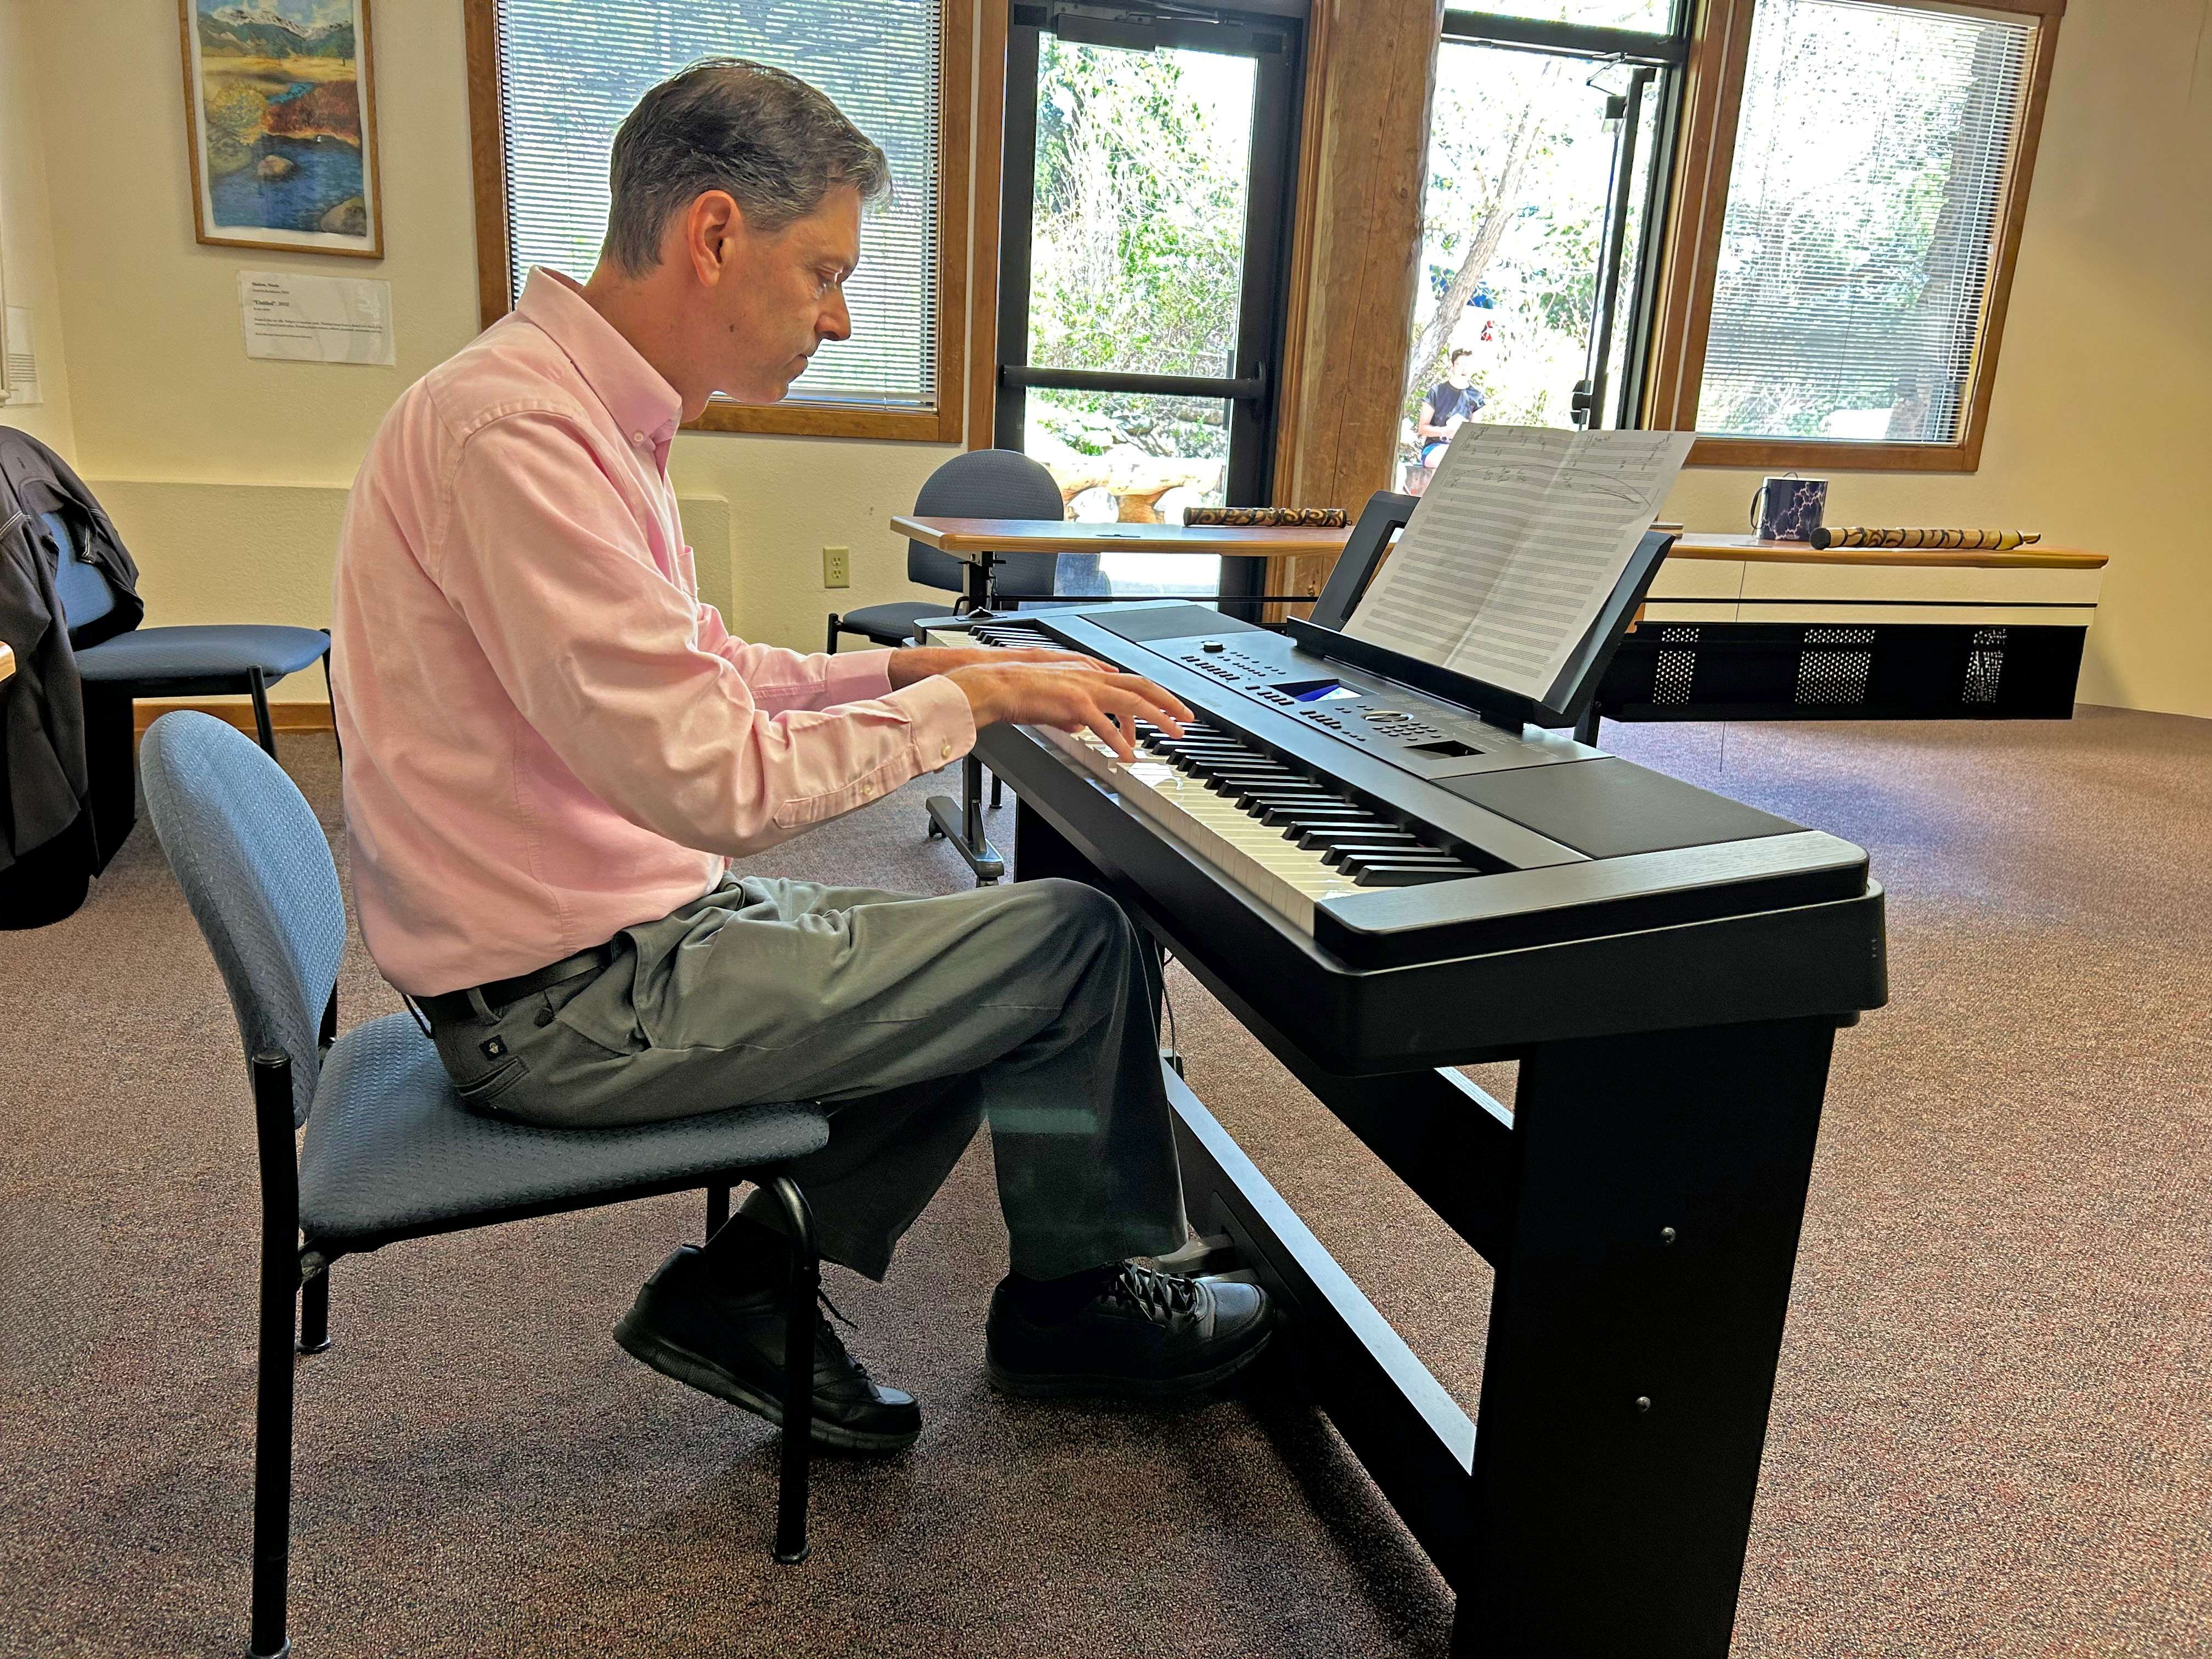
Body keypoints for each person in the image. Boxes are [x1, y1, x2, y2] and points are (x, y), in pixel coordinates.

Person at [330, 59, 1272, 1454]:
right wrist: (972, 706)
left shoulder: (573, 410)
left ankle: (755, 1282)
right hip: (568, 999)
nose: (837, 317)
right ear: (715, 234)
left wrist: (913, 667)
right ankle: (1073, 1305)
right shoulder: (518, 433)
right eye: (825, 271)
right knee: (1072, 947)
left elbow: (705, 671)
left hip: (602, 934)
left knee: (990, 951)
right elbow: (720, 782)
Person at [1413, 348, 1487, 484]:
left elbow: (1476, 432)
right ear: (1453, 366)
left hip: (1461, 450)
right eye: (1460, 364)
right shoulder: (1436, 392)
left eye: (1468, 365)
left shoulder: (1477, 397)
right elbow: (1422, 428)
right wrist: (1444, 431)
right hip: (1435, 447)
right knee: (1448, 462)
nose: (1464, 369)